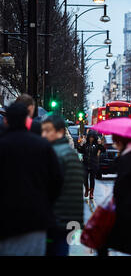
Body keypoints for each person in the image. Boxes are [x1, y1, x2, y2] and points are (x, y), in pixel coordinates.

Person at [0, 103, 62, 256]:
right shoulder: (42, 146)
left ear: (6, 121)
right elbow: (57, 180)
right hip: (36, 220)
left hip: (5, 221)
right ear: (27, 120)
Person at [41, 115, 84, 256]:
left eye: (48, 130)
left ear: (59, 132)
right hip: (70, 220)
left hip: (54, 219)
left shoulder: (54, 154)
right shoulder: (72, 154)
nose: (44, 134)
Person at [77, 131, 105, 199]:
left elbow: (103, 150)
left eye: (92, 137)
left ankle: (91, 193)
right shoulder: (85, 144)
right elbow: (80, 150)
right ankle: (87, 189)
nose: (91, 139)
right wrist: (81, 144)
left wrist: (100, 144)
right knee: (85, 177)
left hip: (93, 163)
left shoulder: (97, 144)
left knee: (92, 179)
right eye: (90, 137)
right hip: (85, 163)